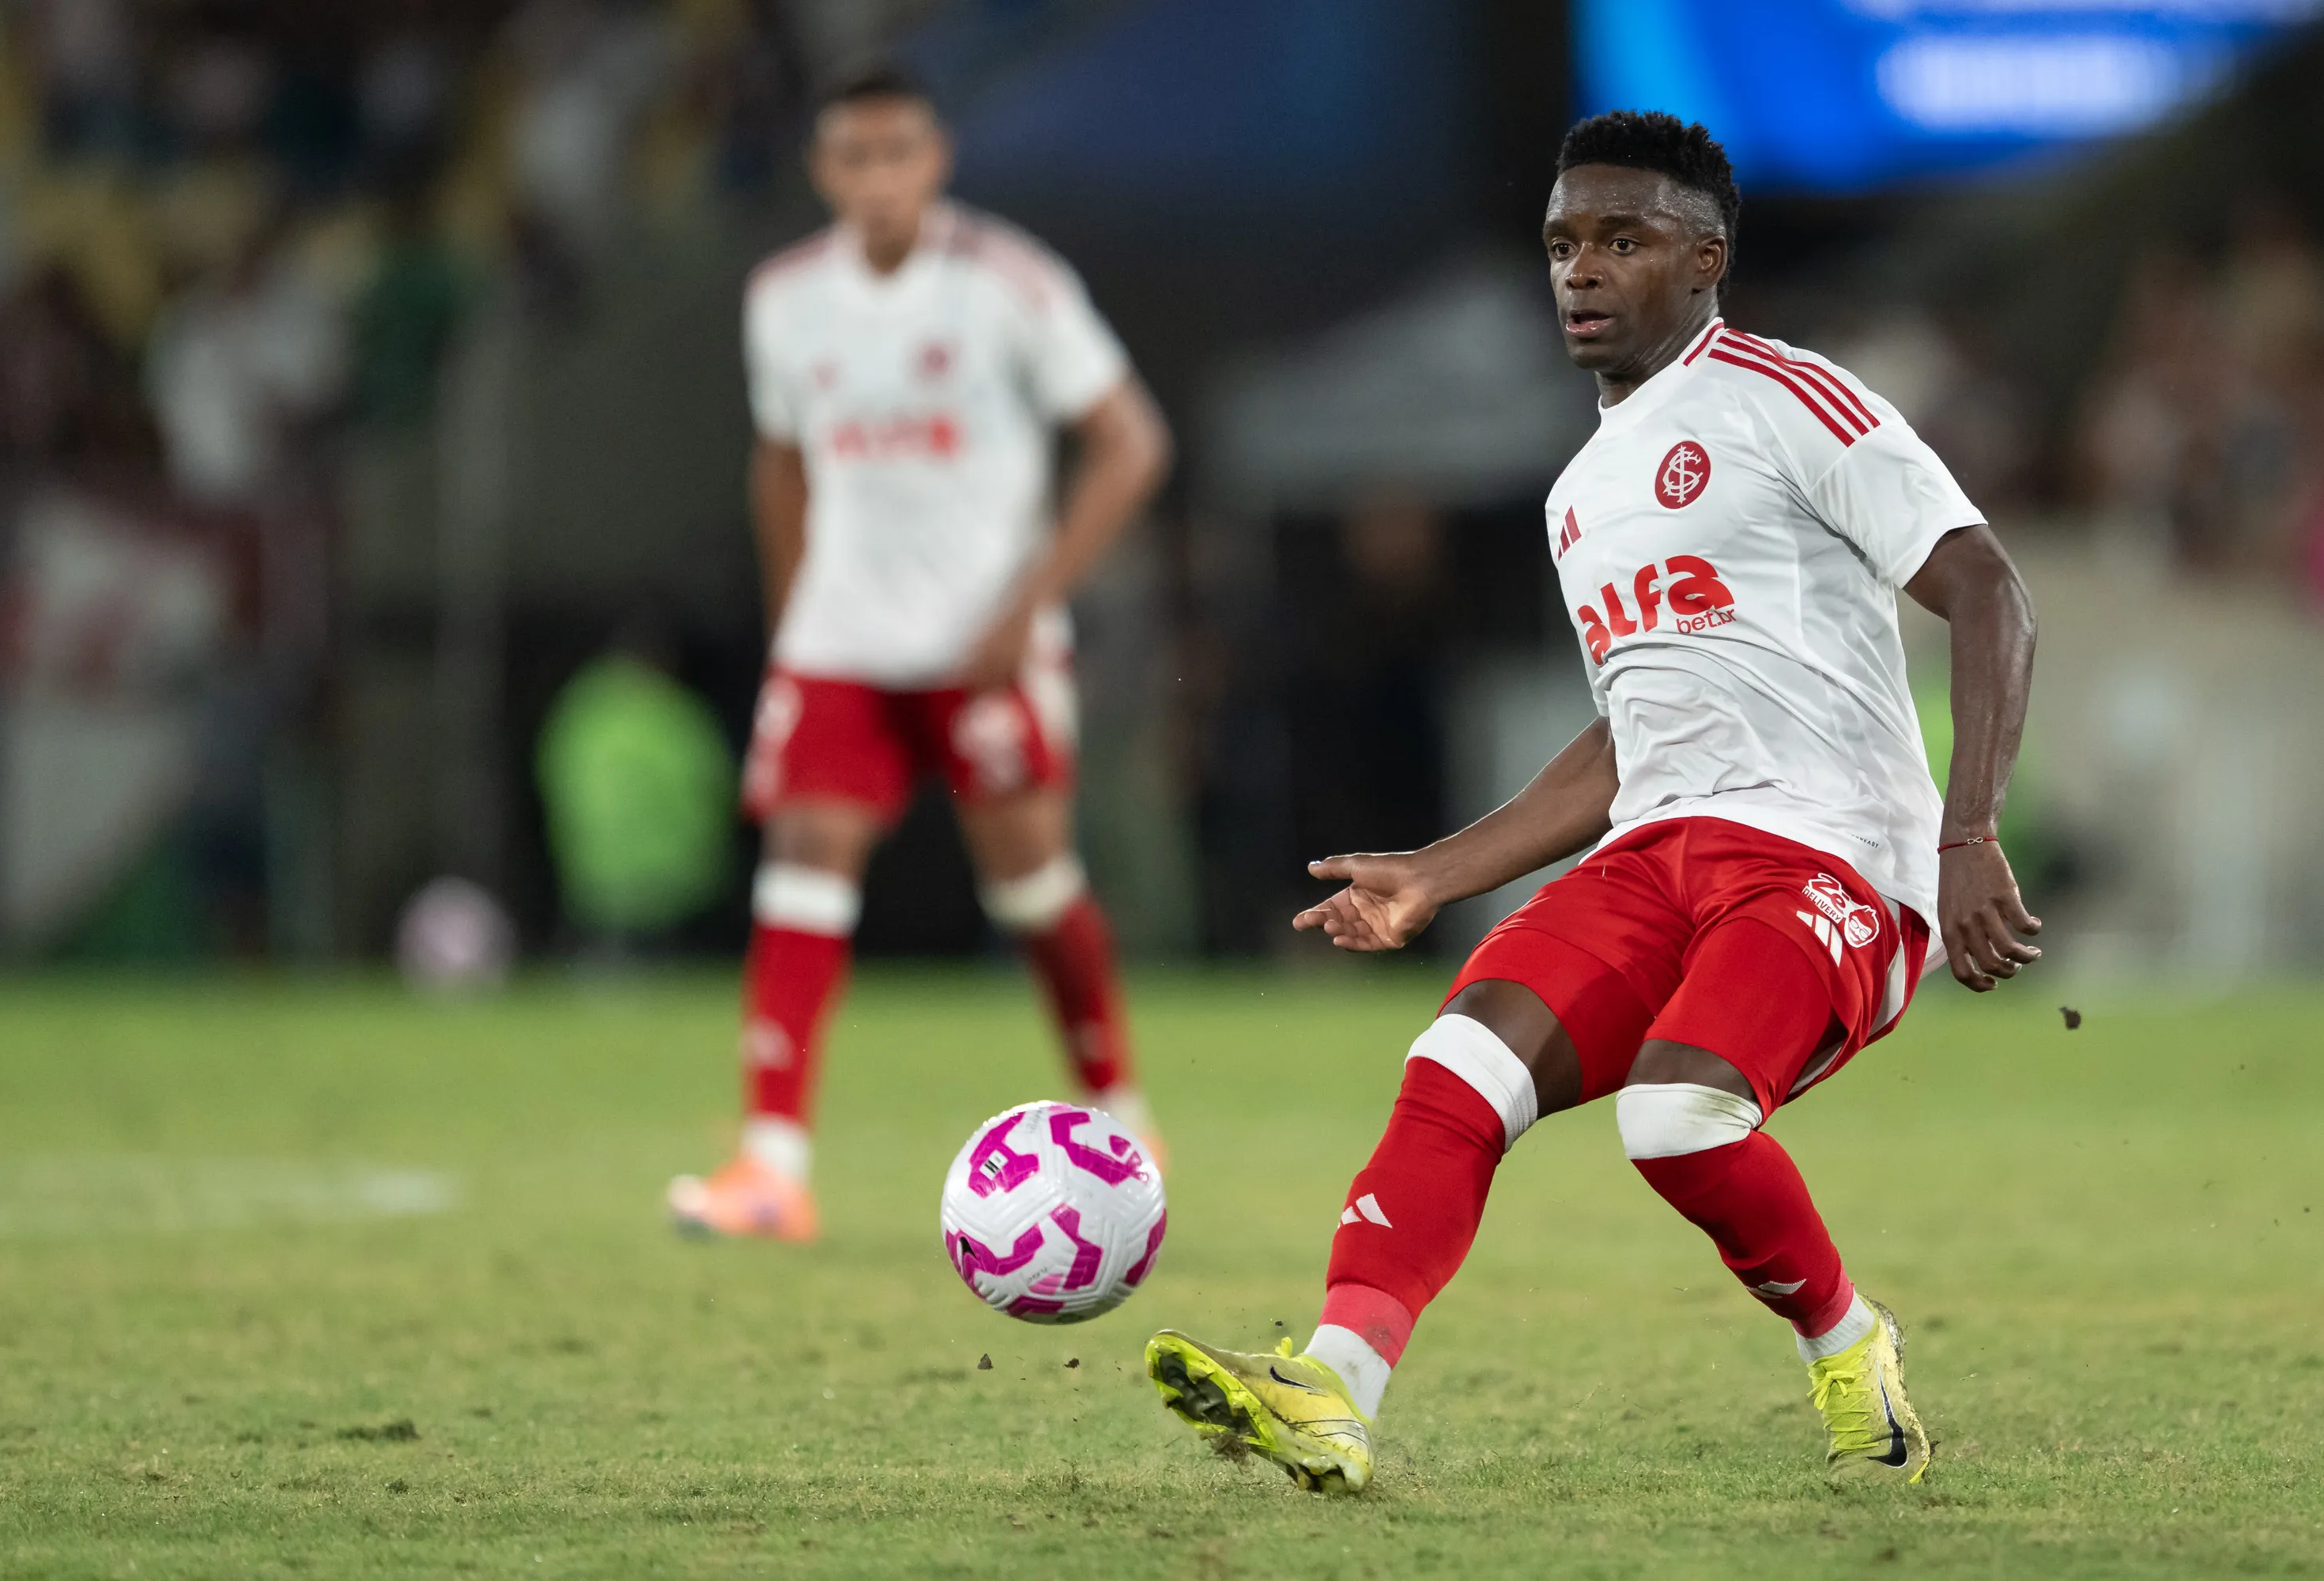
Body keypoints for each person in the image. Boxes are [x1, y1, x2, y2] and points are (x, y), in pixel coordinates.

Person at [1144, 111, 2040, 1492]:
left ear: (1705, 259)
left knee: (1675, 1120)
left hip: (1829, 860)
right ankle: (1334, 1387)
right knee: (1454, 1072)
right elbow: (1628, 738)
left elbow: (1986, 585)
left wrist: (1967, 830)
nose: (1582, 270)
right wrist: (1439, 873)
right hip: (1657, 855)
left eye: (1621, 241)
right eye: (1564, 242)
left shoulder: (1789, 397)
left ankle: (1848, 1337)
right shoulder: (1580, 495)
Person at [668, 66, 1172, 1243]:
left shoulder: (1008, 282)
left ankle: (1121, 1114)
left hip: (983, 645)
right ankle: (771, 1168)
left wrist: (1030, 604)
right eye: (856, 156)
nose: (879, 178)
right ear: (823, 168)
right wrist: (795, 625)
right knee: (802, 861)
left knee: (1034, 886)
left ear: (934, 158)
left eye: (899, 153)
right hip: (844, 642)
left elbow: (1131, 442)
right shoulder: (785, 298)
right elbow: (780, 462)